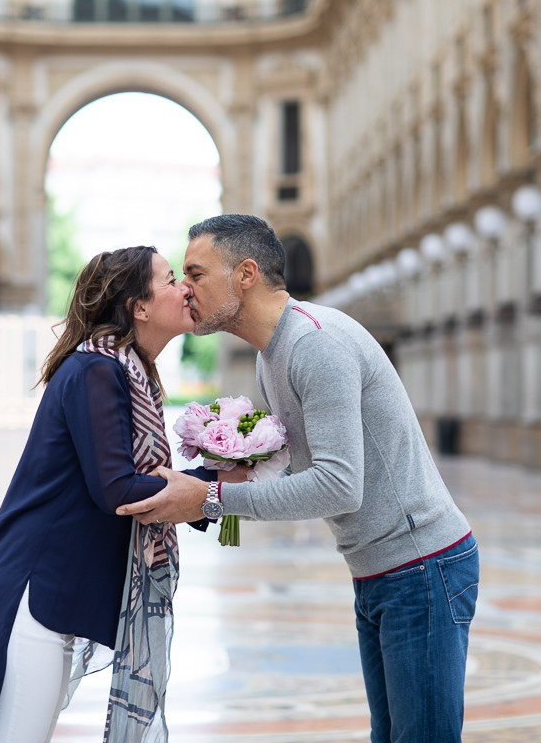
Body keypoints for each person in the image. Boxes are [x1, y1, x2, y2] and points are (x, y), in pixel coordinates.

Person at [117, 215, 479, 743]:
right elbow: (300, 466)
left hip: (421, 566)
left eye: (195, 273)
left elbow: (338, 484)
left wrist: (214, 499)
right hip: (380, 569)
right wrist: (226, 468)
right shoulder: (273, 355)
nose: (185, 288)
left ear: (245, 274)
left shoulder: (315, 344)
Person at [0, 246, 211, 743]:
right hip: (31, 590)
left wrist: (215, 484)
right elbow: (117, 489)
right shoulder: (97, 371)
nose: (185, 288)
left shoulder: (126, 371)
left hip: (51, 592)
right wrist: (210, 489)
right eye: (171, 279)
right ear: (139, 307)